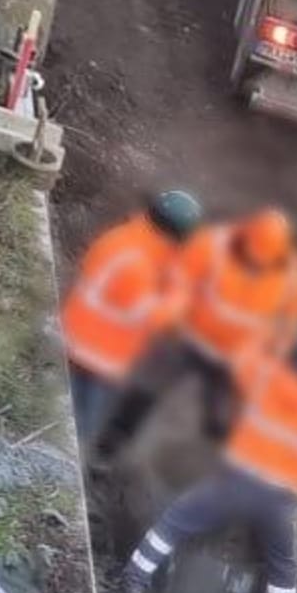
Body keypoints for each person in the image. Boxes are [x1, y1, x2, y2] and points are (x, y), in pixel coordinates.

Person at [121, 325, 297, 593]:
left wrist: (275, 342)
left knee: (174, 521)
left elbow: (237, 358)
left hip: (234, 484)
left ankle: (134, 580)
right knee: (282, 565)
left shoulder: (266, 374)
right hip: (278, 501)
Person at [94, 206, 297, 460]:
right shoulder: (212, 244)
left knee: (226, 420)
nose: (253, 265)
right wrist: (171, 316)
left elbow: (289, 324)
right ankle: (108, 448)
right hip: (187, 337)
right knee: (146, 390)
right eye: (249, 258)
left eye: (261, 264)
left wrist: (272, 356)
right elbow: (180, 279)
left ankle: (231, 473)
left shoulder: (295, 280)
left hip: (235, 357)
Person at [60, 190, 202, 443]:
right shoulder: (137, 265)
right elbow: (153, 317)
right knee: (76, 428)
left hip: (76, 336)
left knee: (66, 412)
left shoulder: (125, 238)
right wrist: (180, 295)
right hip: (94, 354)